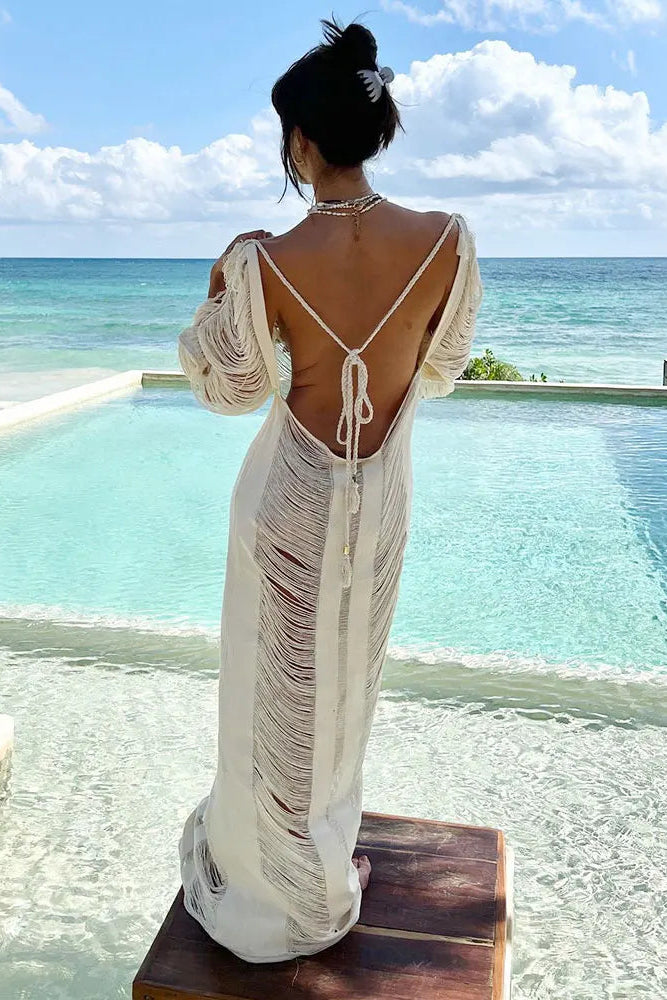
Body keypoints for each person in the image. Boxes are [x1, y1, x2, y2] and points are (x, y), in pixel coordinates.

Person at [177, 16, 483, 964]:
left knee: (269, 690)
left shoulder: (263, 259)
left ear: (300, 142)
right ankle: (318, 861)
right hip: (378, 497)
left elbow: (227, 390)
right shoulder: (446, 240)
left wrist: (222, 285)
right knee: (346, 682)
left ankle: (271, 884)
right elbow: (441, 368)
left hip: (283, 499)